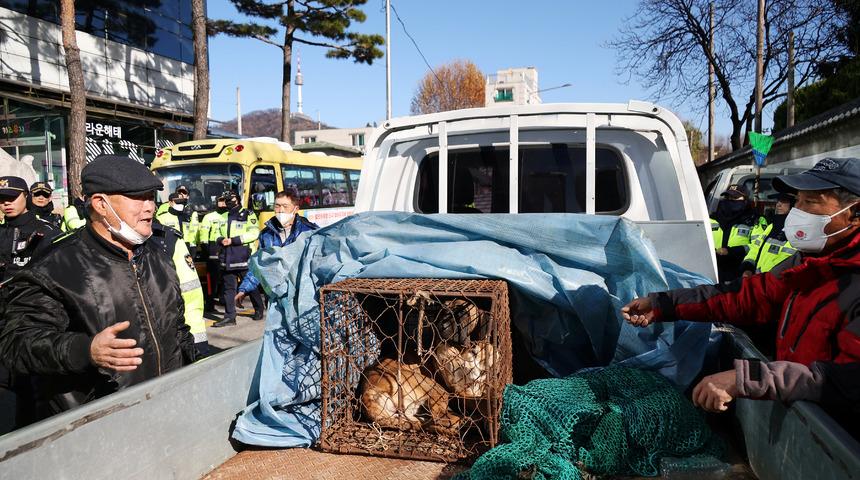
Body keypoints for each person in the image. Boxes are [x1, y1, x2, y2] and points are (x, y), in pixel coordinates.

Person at [622, 157, 860, 412]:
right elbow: (747, 296)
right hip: (799, 418)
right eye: (798, 200)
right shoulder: (811, 263)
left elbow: (849, 381)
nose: (797, 210)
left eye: (811, 202)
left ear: (855, 214)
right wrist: (662, 304)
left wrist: (749, 378)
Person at [0, 155, 197, 418]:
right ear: (101, 204)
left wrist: (195, 375)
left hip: (168, 407)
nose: (150, 207)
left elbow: (178, 329)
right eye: (138, 198)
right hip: (98, 423)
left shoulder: (159, 256)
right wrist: (86, 350)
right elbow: (16, 344)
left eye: (151, 197)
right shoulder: (55, 267)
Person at [0, 176, 59, 433]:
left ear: (26, 196)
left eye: (12, 198)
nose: (6, 203)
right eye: (1, 199)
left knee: (32, 397)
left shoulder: (46, 233)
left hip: (31, 325)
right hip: (3, 324)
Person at [235, 190, 319, 312]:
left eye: (285, 206)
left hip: (302, 296)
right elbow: (260, 265)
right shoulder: (266, 235)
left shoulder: (308, 232)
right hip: (276, 297)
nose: (280, 210)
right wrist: (244, 289)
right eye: (277, 206)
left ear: (296, 209)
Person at [150, 219, 209, 356]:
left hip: (169, 348)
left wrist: (197, 346)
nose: (147, 208)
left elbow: (191, 299)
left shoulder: (168, 240)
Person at [213, 190, 262, 327]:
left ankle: (258, 308)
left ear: (238, 199)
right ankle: (230, 317)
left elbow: (254, 232)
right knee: (228, 289)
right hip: (227, 258)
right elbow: (216, 233)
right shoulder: (223, 216)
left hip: (243, 257)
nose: (228, 202)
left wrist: (234, 240)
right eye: (226, 200)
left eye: (231, 199)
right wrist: (221, 239)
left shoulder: (248, 214)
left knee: (250, 286)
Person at [710, 188, 767, 282]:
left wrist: (732, 251)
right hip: (713, 271)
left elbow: (758, 246)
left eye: (735, 197)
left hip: (740, 270)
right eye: (727, 197)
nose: (730, 200)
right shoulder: (711, 219)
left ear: (745, 200)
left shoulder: (755, 220)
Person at [740, 192, 797, 277]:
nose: (778, 205)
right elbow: (756, 248)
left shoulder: (796, 230)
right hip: (757, 278)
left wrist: (762, 276)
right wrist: (748, 267)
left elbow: (786, 259)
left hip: (771, 280)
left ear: (794, 204)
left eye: (784, 201)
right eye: (778, 201)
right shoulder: (771, 226)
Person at [198, 194, 229, 312]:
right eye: (220, 201)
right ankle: (209, 303)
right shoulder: (209, 217)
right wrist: (207, 250)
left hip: (228, 248)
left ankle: (223, 300)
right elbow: (204, 235)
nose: (222, 203)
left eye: (225, 201)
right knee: (212, 279)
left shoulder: (230, 215)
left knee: (226, 276)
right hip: (213, 248)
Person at [155, 192, 200, 258]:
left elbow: (192, 233)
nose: (180, 204)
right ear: (170, 203)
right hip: (170, 248)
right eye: (177, 202)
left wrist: (193, 247)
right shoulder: (161, 218)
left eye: (182, 202)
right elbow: (157, 237)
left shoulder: (188, 217)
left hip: (186, 248)